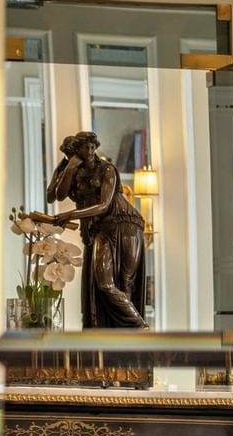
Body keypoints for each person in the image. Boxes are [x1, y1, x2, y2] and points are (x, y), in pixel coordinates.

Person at [26, 131, 149, 328]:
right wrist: (68, 167)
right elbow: (55, 195)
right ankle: (137, 326)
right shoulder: (73, 172)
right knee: (104, 283)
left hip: (124, 224)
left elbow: (103, 205)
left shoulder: (106, 170)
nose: (90, 151)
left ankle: (133, 332)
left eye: (93, 147)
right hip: (100, 229)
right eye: (85, 148)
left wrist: (70, 215)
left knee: (126, 282)